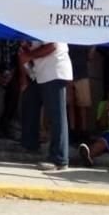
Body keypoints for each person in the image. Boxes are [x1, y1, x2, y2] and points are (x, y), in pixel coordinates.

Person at [20, 41, 73, 171]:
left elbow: (52, 46)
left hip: (54, 73)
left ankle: (59, 159)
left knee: (57, 117)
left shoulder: (48, 22)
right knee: (30, 103)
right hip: (42, 74)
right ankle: (31, 144)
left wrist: (29, 55)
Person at [66, 45, 93, 141]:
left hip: (81, 72)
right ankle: (72, 131)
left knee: (83, 104)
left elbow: (90, 57)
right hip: (67, 72)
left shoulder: (85, 37)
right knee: (70, 103)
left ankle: (83, 131)